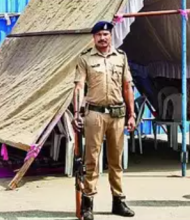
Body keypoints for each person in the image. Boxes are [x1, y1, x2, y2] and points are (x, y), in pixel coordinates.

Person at [72, 21, 136, 220]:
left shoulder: (121, 58)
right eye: (99, 34)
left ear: (111, 36)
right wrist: (76, 113)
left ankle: (118, 201)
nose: (102, 38)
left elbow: (127, 87)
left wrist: (132, 114)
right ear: (94, 37)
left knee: (116, 161)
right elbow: (79, 86)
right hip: (95, 114)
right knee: (92, 160)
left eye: (106, 34)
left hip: (117, 114)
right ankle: (88, 203)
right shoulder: (85, 59)